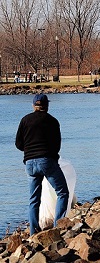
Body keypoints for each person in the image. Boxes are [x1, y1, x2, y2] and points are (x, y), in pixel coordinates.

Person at [15, 94, 70, 235]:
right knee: (62, 192)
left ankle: (33, 231)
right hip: (46, 160)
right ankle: (58, 227)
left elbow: (18, 144)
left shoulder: (25, 120)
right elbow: (57, 146)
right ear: (47, 106)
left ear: (34, 105)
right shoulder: (52, 121)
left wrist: (29, 150)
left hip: (29, 163)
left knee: (34, 198)